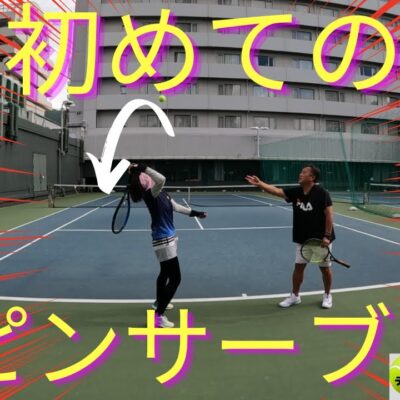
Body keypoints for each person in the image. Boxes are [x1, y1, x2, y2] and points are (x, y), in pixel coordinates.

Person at [245, 165, 335, 309]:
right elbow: (277, 191)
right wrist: (260, 184)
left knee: (324, 269)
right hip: (303, 238)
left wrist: (327, 236)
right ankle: (295, 296)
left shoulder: (321, 193)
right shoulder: (296, 192)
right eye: (301, 172)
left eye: (304, 172)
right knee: (298, 267)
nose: (300, 174)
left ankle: (327, 295)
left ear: (312, 177)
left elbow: (329, 214)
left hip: (320, 239)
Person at [129, 163, 207, 327]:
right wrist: (142, 167)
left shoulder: (161, 193)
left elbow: (177, 207)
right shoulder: (152, 193)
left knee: (164, 273)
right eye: (148, 175)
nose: (151, 176)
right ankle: (158, 316)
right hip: (164, 241)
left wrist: (196, 213)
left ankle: (159, 302)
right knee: (176, 278)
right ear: (146, 180)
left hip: (167, 239)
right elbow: (161, 178)